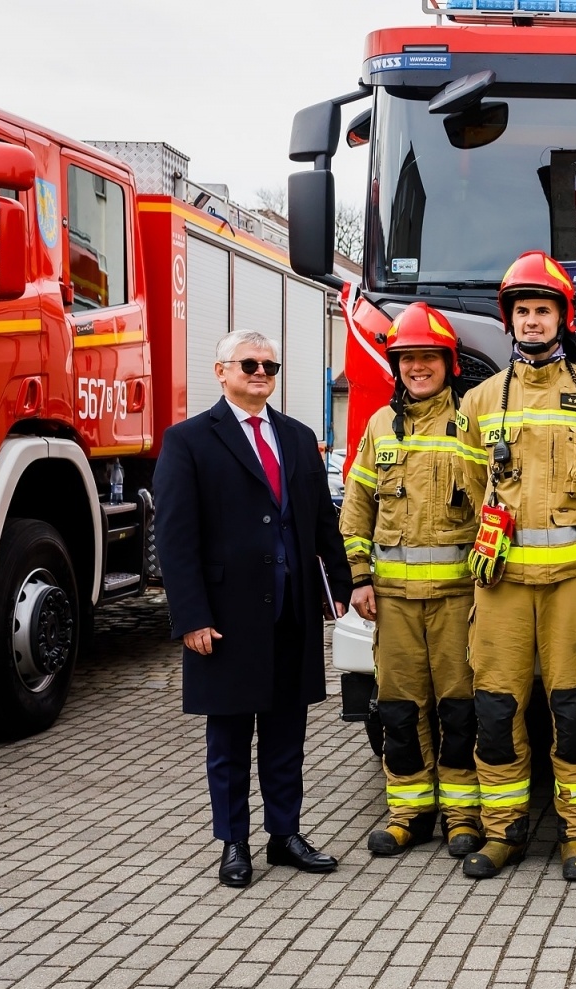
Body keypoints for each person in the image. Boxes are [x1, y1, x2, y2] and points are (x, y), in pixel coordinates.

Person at [457, 251, 576, 882]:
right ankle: (503, 832)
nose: (533, 322)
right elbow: (470, 489)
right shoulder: (477, 402)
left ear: (565, 317)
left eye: (544, 310)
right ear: (509, 321)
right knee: (498, 712)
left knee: (575, 712)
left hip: (573, 586)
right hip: (501, 587)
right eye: (523, 311)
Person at [154, 329, 351, 889]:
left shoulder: (298, 437)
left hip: (292, 612)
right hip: (226, 618)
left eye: (270, 365)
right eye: (249, 364)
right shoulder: (188, 441)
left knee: (288, 733)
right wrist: (191, 616)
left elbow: (320, 523)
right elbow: (175, 538)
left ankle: (285, 835)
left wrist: (339, 582)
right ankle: (234, 844)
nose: (261, 373)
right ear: (222, 371)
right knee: (231, 738)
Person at [339, 303, 484, 859]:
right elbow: (356, 507)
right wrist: (358, 577)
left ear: (448, 363)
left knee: (459, 709)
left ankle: (462, 817)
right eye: (407, 359)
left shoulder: (471, 423)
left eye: (427, 358)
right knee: (399, 709)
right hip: (393, 602)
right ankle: (407, 813)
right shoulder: (380, 425)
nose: (417, 368)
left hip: (457, 601)